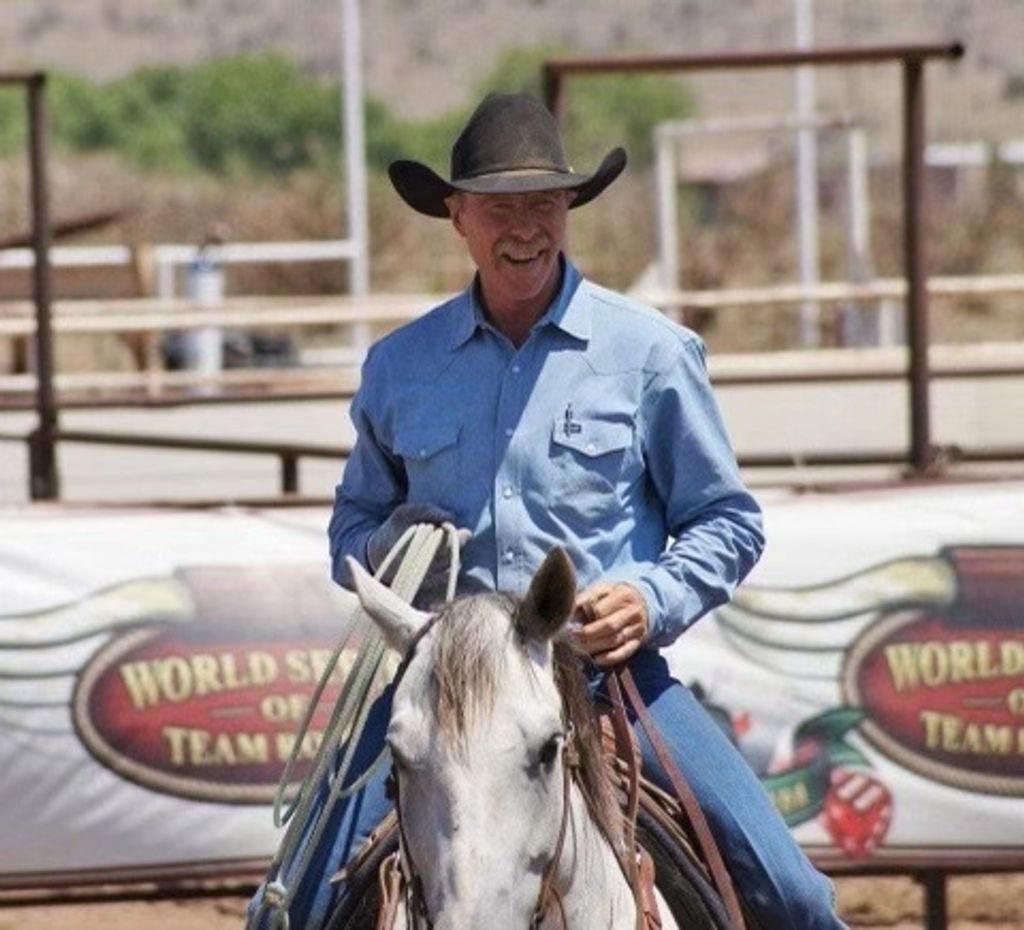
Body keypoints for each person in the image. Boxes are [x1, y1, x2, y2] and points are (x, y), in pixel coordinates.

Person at [255, 91, 845, 930]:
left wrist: (649, 599)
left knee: (797, 899)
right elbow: (350, 531)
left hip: (609, 685)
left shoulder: (650, 355)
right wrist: (398, 547)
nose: (524, 228)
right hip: (443, 691)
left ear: (569, 207)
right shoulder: (399, 367)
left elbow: (727, 520)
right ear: (457, 216)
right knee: (284, 912)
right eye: (499, 207)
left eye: (543, 204)